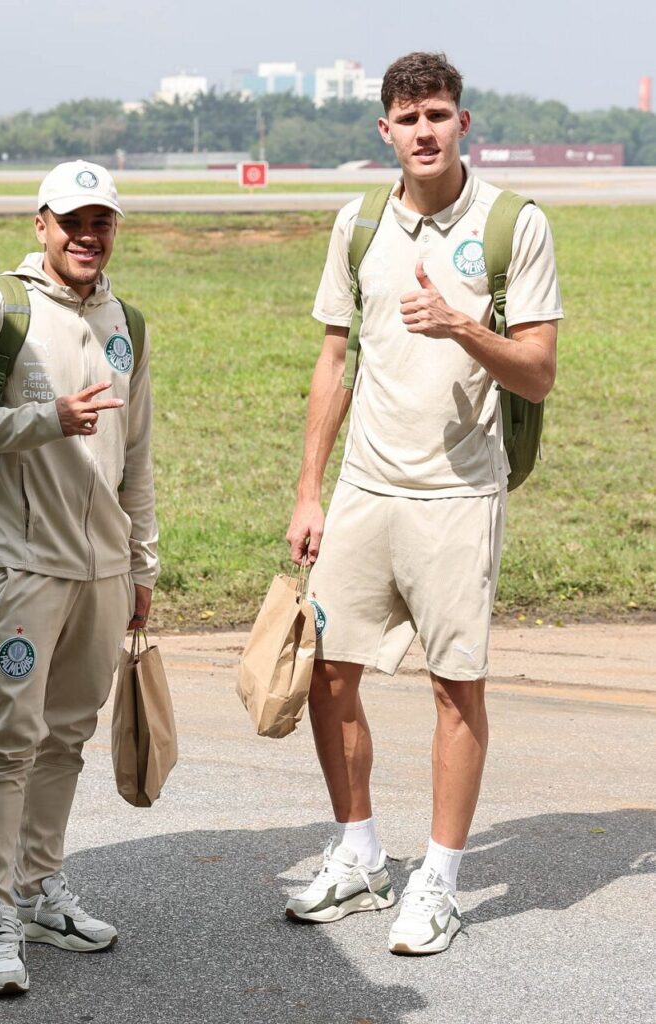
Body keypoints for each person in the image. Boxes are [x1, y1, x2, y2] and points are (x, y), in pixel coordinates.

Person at [284, 52, 562, 954]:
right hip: (365, 488)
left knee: (455, 687)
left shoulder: (515, 223)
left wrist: (463, 326)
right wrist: (309, 491)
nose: (424, 132)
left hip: (457, 494)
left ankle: (438, 880)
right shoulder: (358, 223)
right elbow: (334, 360)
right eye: (408, 119)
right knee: (330, 672)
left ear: (463, 123)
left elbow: (540, 372)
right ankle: (361, 853)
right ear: (385, 131)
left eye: (438, 114)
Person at [0, 160, 159, 994]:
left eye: (102, 222)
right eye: (72, 222)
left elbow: (136, 456)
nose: (88, 237)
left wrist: (140, 562)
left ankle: (36, 890)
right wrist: (44, 419)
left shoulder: (126, 319)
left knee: (66, 736)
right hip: (18, 565)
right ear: (41, 225)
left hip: (100, 569)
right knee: (6, 741)